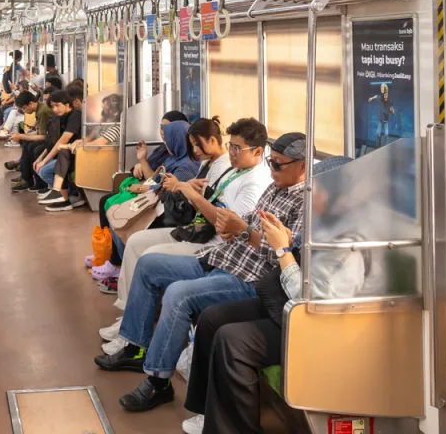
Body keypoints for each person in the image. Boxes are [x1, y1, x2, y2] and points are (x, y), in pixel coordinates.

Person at [94, 131, 310, 414]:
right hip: (222, 257)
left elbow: (284, 258)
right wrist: (231, 225)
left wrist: (243, 231)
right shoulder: (274, 187)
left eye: (278, 164)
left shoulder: (307, 204)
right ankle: (135, 347)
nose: (272, 169)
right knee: (149, 265)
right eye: (272, 162)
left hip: (248, 278)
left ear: (302, 166)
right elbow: (248, 221)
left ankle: (158, 382)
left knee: (178, 294)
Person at [181, 156, 364, 434]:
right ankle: (207, 412)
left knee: (232, 340)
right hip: (288, 307)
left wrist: (282, 250)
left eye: (316, 191)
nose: (310, 196)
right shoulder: (324, 222)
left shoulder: (348, 241)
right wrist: (288, 240)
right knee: (211, 319)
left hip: (314, 323)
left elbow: (308, 300)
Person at [98, 117, 271, 336]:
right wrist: (192, 191)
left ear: (258, 152)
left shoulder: (253, 181)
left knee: (148, 257)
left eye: (238, 148)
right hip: (198, 229)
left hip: (211, 242)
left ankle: (134, 324)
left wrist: (190, 193)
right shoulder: (234, 170)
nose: (232, 153)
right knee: (134, 242)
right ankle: (128, 314)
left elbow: (226, 227)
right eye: (231, 146)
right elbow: (213, 204)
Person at [91, 118, 200, 285]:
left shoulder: (186, 166)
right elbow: (156, 180)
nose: (164, 140)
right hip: (158, 204)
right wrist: (142, 161)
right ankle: (120, 264)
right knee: (116, 216)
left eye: (168, 137)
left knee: (123, 224)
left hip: (168, 213)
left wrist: (145, 187)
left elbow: (168, 190)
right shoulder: (173, 158)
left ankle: (124, 269)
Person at [35, 88, 85, 211]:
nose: (54, 109)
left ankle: (67, 194)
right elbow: (54, 142)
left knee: (44, 170)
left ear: (67, 104)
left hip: (78, 155)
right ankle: (63, 195)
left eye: (57, 105)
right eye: (52, 107)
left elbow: (62, 141)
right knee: (41, 163)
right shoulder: (61, 117)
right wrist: (41, 158)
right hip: (67, 154)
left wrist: (44, 161)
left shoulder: (75, 116)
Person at [9, 91, 53, 192]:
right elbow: (40, 132)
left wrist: (21, 136)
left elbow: (43, 136)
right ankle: (26, 177)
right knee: (27, 143)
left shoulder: (42, 111)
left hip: (51, 138)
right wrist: (23, 136)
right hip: (49, 136)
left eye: (24, 108)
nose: (24, 111)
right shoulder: (40, 109)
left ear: (31, 103)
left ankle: (35, 181)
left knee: (32, 146)